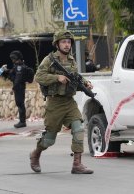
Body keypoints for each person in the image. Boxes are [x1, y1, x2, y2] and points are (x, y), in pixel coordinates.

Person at [29, 30, 94, 174]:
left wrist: (85, 83)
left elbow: (75, 76)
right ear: (57, 44)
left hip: (69, 102)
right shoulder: (49, 59)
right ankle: (36, 154)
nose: (67, 45)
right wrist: (56, 78)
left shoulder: (71, 60)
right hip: (55, 103)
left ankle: (77, 164)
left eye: (69, 42)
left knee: (78, 129)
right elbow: (39, 76)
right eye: (63, 42)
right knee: (49, 139)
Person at [0, 50, 34, 128]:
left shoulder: (19, 67)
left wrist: (13, 88)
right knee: (19, 104)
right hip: (19, 87)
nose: (12, 60)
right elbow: (10, 73)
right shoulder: (17, 66)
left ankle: (22, 122)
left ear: (17, 58)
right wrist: (3, 69)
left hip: (19, 87)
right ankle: (22, 121)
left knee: (20, 104)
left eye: (13, 58)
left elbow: (18, 80)